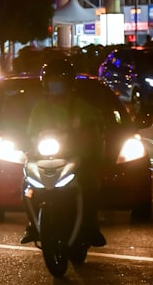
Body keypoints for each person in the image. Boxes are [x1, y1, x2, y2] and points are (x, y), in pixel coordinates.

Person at [19, 59, 107, 247]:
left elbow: (94, 126)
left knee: (90, 185)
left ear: (69, 84)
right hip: (45, 159)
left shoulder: (82, 107)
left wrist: (88, 139)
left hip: (76, 157)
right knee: (27, 186)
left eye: (60, 81)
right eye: (52, 81)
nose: (56, 86)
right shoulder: (40, 109)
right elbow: (31, 133)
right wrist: (29, 145)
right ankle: (32, 226)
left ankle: (91, 227)